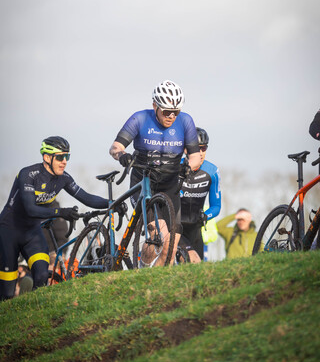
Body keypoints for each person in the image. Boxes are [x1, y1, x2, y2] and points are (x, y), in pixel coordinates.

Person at [0, 136, 111, 301]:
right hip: (9, 230)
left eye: (67, 156)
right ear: (47, 157)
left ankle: (34, 311)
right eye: (60, 157)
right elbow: (31, 209)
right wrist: (61, 212)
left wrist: (112, 203)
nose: (64, 161)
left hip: (31, 232)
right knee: (7, 293)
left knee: (42, 274)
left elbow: (86, 197)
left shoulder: (63, 178)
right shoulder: (28, 175)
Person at [109, 80, 201, 265]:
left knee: (172, 242)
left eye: (176, 112)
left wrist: (188, 166)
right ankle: (144, 266)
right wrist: (122, 156)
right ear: (154, 106)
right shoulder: (140, 118)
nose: (171, 116)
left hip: (170, 183)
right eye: (166, 112)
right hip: (143, 180)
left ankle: (157, 276)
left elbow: (196, 156)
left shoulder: (185, 121)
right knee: (158, 230)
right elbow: (115, 147)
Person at [179, 127, 221, 263]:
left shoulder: (212, 171)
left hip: (195, 227)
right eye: (197, 149)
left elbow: (216, 206)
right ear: (186, 149)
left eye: (204, 148)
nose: (201, 153)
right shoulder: (175, 168)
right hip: (174, 226)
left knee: (196, 268)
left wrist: (206, 215)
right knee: (184, 260)